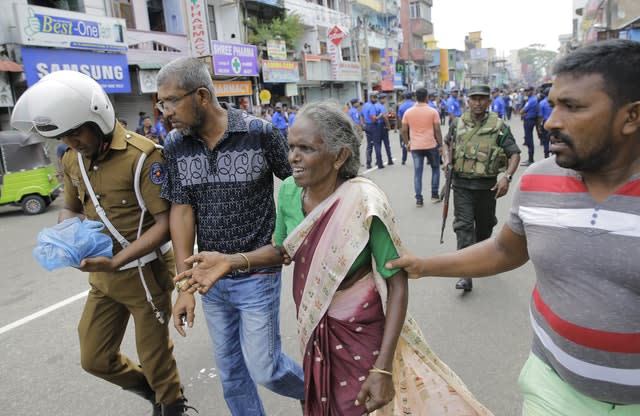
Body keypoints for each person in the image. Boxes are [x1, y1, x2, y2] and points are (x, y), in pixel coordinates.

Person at [175, 100, 493, 416]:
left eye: (306, 149)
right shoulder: (287, 193)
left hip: (362, 333)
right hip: (314, 329)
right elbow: (283, 250)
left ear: (340, 156)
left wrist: (382, 369)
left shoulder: (363, 202)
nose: (293, 158)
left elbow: (396, 284)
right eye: (291, 147)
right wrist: (233, 260)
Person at [387, 39, 640, 415]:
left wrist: (503, 175)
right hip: (551, 389)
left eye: (573, 107)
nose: (552, 121)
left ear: (631, 117)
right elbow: (505, 250)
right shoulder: (538, 183)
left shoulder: (498, 128)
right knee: (468, 229)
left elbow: (511, 153)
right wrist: (424, 266)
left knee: (483, 223)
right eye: (553, 104)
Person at [10, 70, 192, 415]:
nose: (71, 140)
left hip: (144, 273)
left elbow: (166, 224)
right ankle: (156, 392)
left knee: (155, 358)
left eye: (76, 131)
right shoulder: (70, 158)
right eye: (64, 135)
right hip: (103, 276)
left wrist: (116, 260)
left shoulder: (144, 157)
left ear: (98, 118)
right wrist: (66, 238)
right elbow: (70, 207)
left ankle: (171, 404)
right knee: (93, 357)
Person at [156, 57, 304, 416]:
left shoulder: (260, 133)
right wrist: (185, 285)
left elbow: (298, 184)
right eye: (161, 103)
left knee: (265, 368)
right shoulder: (176, 145)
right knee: (232, 376)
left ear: (202, 96)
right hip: (211, 280)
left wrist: (294, 237)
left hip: (257, 272)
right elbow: (181, 210)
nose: (165, 111)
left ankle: (317, 389)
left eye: (172, 101)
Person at [444, 84, 520, 292]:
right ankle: (465, 274)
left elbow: (514, 153)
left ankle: (480, 253)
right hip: (461, 185)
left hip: (488, 187)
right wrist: (446, 160)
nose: (478, 102)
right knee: (464, 227)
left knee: (485, 227)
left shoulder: (499, 126)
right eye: (474, 98)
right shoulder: (457, 123)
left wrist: (507, 177)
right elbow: (447, 143)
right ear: (468, 101)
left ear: (489, 101)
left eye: (482, 99)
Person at [401, 87, 443, 206]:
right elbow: (437, 130)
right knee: (435, 169)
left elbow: (403, 130)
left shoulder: (408, 112)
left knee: (418, 173)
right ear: (427, 97)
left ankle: (419, 199)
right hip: (431, 145)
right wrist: (441, 145)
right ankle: (434, 195)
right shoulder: (433, 111)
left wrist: (407, 143)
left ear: (415, 97)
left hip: (416, 146)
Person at [361, 92, 382, 169]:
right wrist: (380, 115)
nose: (376, 99)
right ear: (371, 98)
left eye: (376, 98)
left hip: (367, 126)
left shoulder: (365, 105)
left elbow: (361, 115)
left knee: (369, 145)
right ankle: (379, 163)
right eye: (375, 98)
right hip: (373, 126)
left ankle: (368, 163)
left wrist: (363, 124)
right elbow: (373, 118)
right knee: (376, 144)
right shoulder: (372, 106)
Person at [520, 86, 538, 166]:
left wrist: (524, 113)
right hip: (529, 120)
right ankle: (530, 158)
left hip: (529, 121)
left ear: (532, 91)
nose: (526, 92)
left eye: (528, 91)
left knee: (529, 140)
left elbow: (521, 111)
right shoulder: (530, 99)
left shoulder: (532, 100)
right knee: (528, 139)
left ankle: (530, 159)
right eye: (525, 91)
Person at [396, 91, 415, 165]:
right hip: (414, 126)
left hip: (405, 126)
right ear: (412, 97)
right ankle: (415, 158)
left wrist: (400, 127)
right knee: (414, 142)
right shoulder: (415, 105)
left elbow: (399, 118)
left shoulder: (401, 106)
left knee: (405, 142)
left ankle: (404, 159)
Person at [376, 92, 394, 166]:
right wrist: (388, 126)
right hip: (382, 126)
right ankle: (390, 159)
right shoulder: (382, 107)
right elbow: (385, 117)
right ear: (381, 99)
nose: (385, 100)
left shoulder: (375, 106)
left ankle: (378, 161)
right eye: (384, 98)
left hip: (376, 126)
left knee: (378, 144)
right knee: (386, 143)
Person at [537, 87, 552, 158]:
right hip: (554, 123)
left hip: (546, 123)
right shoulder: (555, 102)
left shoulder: (542, 103)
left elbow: (540, 116)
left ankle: (546, 155)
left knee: (546, 141)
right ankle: (554, 156)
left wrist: (539, 126)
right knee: (554, 140)